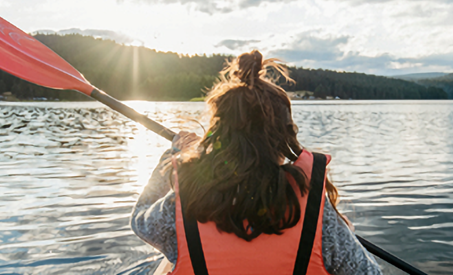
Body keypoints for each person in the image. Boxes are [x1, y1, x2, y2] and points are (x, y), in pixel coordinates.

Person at [131, 50, 382, 275]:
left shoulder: (182, 203)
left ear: (219, 135)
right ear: (284, 138)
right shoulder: (314, 209)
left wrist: (173, 155)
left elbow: (140, 220)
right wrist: (337, 231)